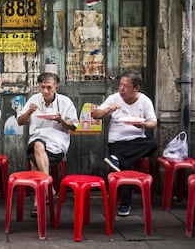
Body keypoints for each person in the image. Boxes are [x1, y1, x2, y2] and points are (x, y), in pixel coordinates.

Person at [93, 69, 157, 216]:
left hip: (137, 142)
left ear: (136, 88)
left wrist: (143, 125)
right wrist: (108, 109)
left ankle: (117, 159)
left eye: (126, 86)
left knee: (152, 143)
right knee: (125, 164)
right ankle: (125, 203)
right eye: (120, 85)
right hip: (118, 141)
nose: (121, 89)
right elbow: (96, 114)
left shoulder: (145, 100)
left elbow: (153, 123)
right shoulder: (114, 98)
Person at [17, 72, 79, 217]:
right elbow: (20, 121)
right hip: (37, 139)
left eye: (49, 87)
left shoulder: (65, 102)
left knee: (34, 161)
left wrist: (61, 120)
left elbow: (74, 126)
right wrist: (29, 112)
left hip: (57, 143)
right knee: (38, 146)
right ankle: (47, 188)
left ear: (56, 87)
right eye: (42, 87)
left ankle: (38, 200)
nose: (45, 91)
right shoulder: (34, 100)